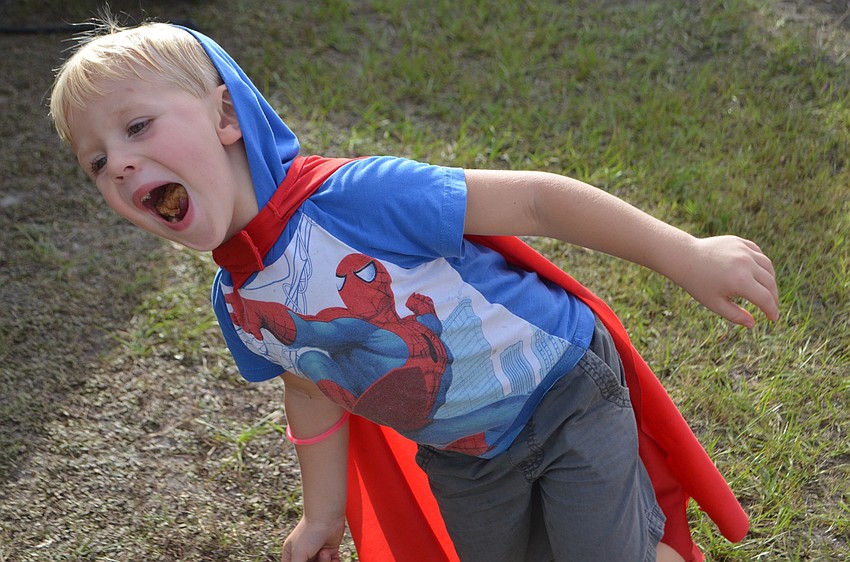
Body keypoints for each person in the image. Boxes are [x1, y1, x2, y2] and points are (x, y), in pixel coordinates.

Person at [49, 20, 779, 562]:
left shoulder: (356, 198)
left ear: (225, 116)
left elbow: (536, 202)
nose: (119, 164)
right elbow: (311, 386)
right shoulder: (239, 308)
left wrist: (686, 254)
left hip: (562, 394)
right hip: (464, 458)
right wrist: (322, 514)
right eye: (96, 162)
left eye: (137, 126)